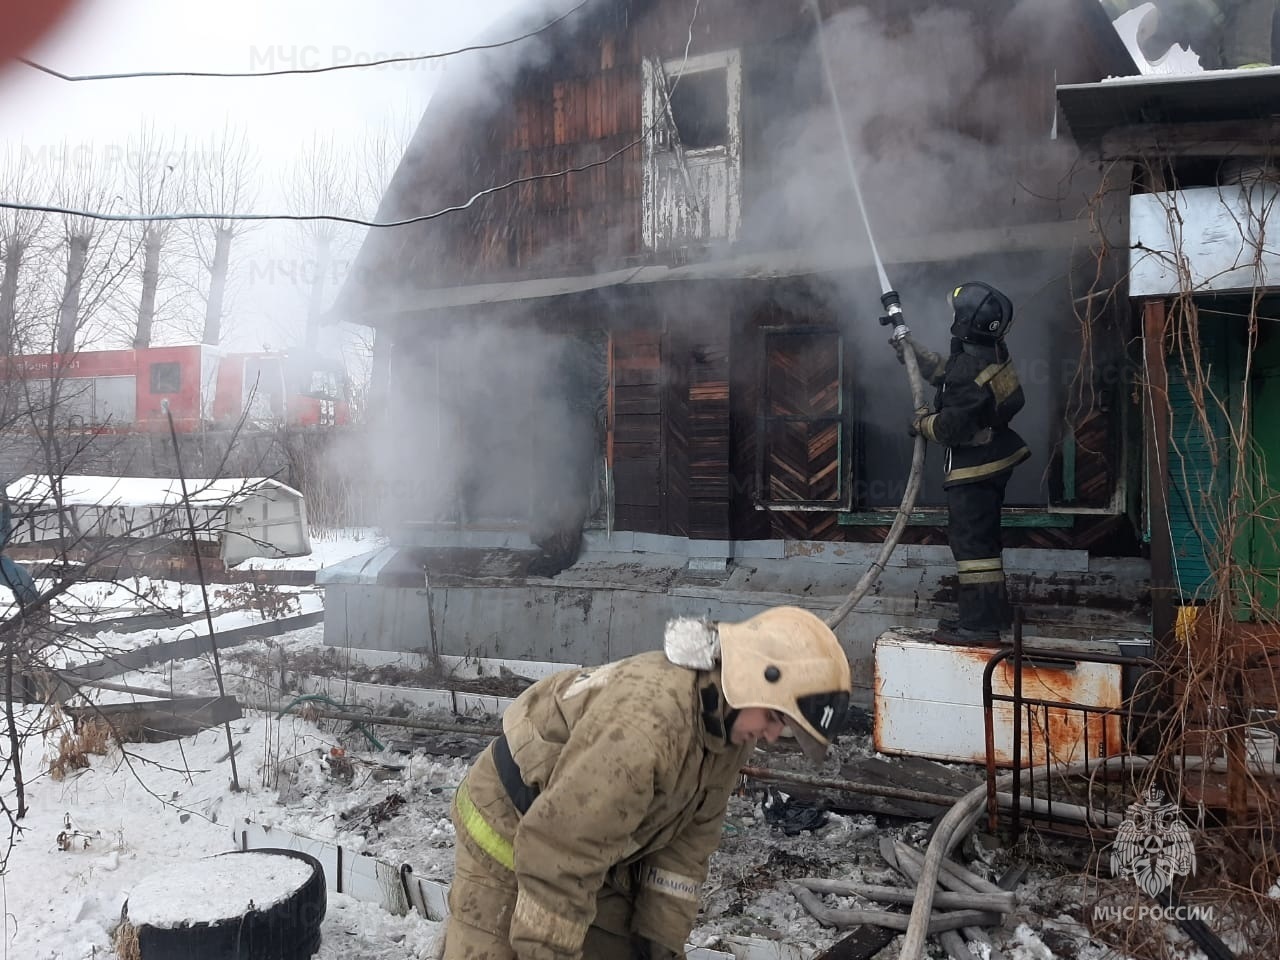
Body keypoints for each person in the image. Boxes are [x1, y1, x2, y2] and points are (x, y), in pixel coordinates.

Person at [440, 605, 852, 960]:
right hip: (509, 827)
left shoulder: (727, 731)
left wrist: (659, 942)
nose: (769, 736)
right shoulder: (646, 728)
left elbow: (688, 845)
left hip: (593, 839)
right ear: (750, 680)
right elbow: (559, 852)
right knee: (509, 944)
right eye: (775, 719)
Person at [898, 281, 1030, 646]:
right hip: (994, 460)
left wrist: (922, 423)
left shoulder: (970, 368)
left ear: (965, 321)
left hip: (975, 469)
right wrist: (915, 355)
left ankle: (979, 627)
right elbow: (950, 372)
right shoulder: (990, 351)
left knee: (973, 550)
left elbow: (951, 426)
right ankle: (988, 615)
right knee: (983, 543)